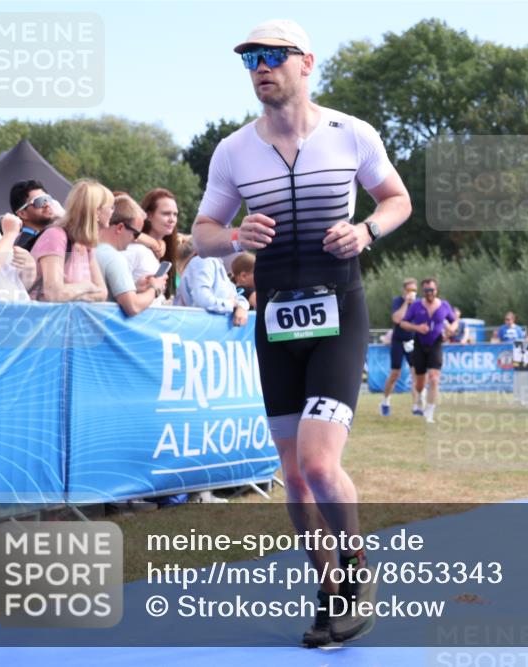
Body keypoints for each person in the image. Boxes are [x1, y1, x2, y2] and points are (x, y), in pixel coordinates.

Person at [190, 19, 411, 647]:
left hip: (339, 308)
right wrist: (233, 238)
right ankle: (329, 588)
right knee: (291, 476)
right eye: (251, 59)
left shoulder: (351, 134)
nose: (261, 67)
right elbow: (202, 232)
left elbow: (397, 200)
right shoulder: (234, 150)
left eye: (273, 56)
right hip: (275, 317)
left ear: (306, 62)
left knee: (318, 464)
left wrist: (367, 231)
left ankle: (358, 571)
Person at [30, 178, 111, 302]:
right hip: (44, 319)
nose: (112, 212)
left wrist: (74, 294)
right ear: (96, 211)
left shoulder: (85, 245)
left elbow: (102, 293)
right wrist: (87, 286)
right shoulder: (55, 236)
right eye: (110, 207)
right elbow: (54, 294)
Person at [96, 195, 167, 317]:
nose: (136, 239)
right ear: (120, 228)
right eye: (136, 234)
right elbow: (133, 307)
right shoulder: (115, 258)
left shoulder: (86, 249)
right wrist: (155, 289)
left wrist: (134, 287)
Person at [400, 278, 456, 424]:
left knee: (434, 378)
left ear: (436, 290)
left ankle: (429, 412)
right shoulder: (416, 305)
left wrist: (451, 329)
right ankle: (420, 394)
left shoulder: (444, 305)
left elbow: (454, 321)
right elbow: (403, 323)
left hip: (436, 342)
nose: (429, 293)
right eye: (426, 290)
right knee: (420, 383)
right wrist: (417, 328)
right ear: (423, 291)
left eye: (431, 290)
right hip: (419, 343)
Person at [125, 188, 180, 301]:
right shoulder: (135, 250)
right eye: (166, 213)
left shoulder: (160, 249)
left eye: (175, 214)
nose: (172, 219)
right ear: (149, 215)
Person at [381, 278, 421, 416]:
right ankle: (385, 402)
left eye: (414, 290)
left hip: (412, 342)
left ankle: (416, 407)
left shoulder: (419, 303)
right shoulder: (398, 301)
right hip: (398, 341)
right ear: (404, 290)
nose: (412, 293)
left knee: (415, 374)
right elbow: (397, 319)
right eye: (410, 290)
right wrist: (406, 302)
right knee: (395, 374)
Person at [7, 180, 58, 251]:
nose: (47, 205)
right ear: (22, 214)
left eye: (47, 199)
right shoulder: (22, 246)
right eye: (39, 201)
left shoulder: (48, 237)